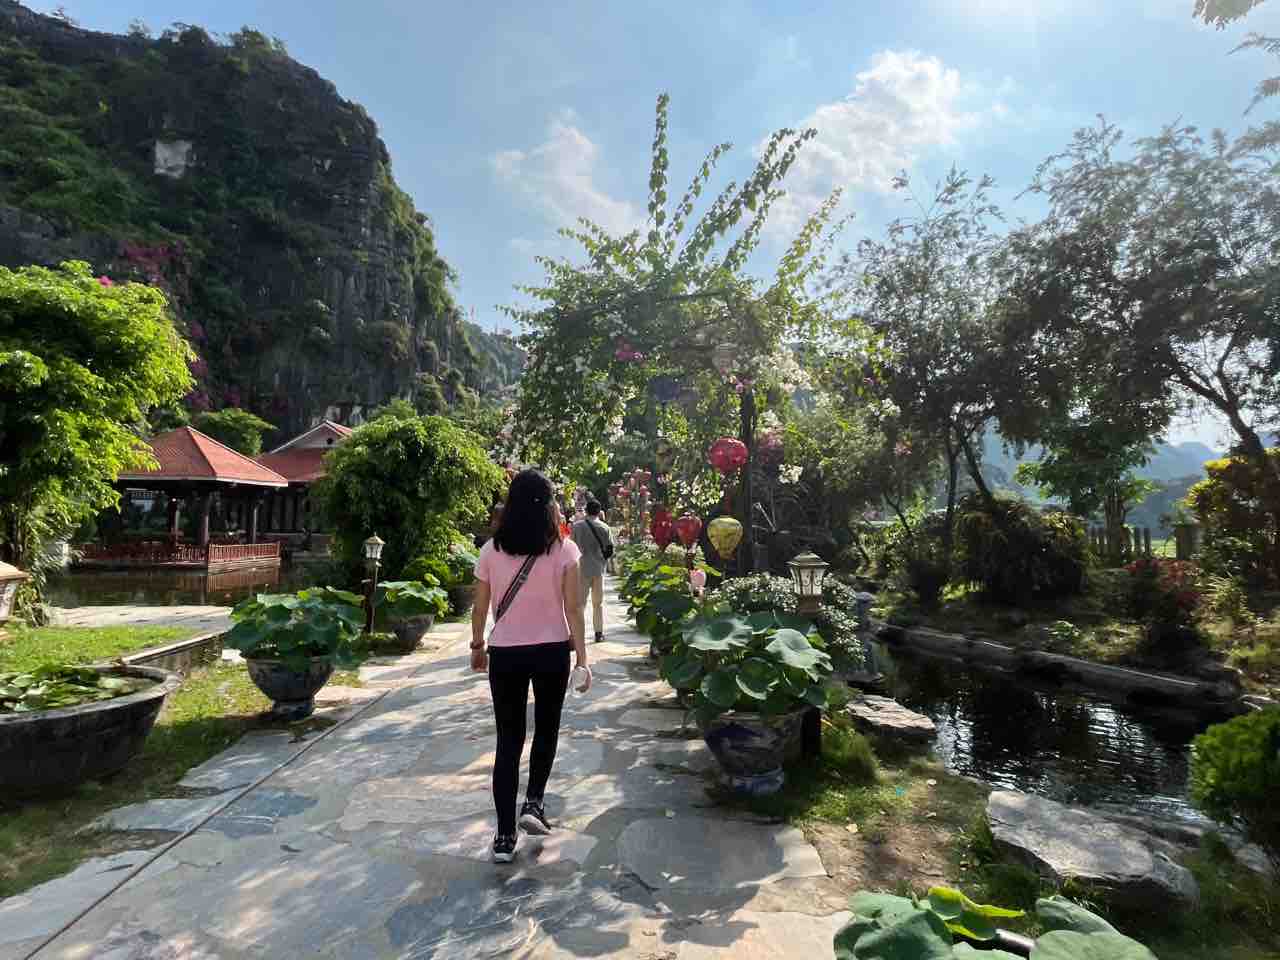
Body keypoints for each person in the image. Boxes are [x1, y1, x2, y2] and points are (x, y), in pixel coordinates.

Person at [471, 469, 590, 863]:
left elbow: (480, 607)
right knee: (547, 729)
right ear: (550, 505)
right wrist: (583, 658)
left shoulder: (491, 550)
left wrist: (477, 645)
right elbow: (574, 609)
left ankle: (504, 836)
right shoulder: (564, 550)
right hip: (552, 651)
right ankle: (534, 802)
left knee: (508, 740)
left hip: (505, 653)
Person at [571, 498, 614, 643]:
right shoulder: (605, 527)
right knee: (598, 603)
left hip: (581, 569)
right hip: (598, 569)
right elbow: (610, 549)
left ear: (586, 511)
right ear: (599, 511)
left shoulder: (577, 527)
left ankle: (577, 633)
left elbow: (571, 547)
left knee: (580, 604)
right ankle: (598, 632)